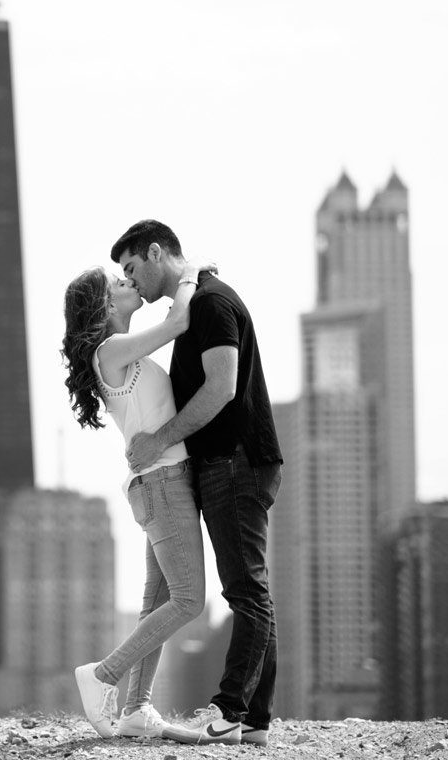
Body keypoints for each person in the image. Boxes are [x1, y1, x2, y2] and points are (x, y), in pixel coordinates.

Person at [112, 220, 282, 748]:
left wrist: (159, 436)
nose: (131, 280)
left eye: (133, 267)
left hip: (235, 462)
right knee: (249, 590)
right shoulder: (194, 303)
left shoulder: (209, 303)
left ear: (157, 253)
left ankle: (231, 710)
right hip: (225, 464)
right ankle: (253, 719)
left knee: (243, 591)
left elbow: (222, 387)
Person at [61, 255, 214, 740]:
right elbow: (179, 320)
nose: (128, 281)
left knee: (160, 601)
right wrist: (189, 274)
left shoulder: (124, 352)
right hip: (163, 484)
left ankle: (136, 711)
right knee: (190, 600)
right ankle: (103, 673)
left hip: (162, 483)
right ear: (104, 304)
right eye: (117, 281)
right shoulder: (110, 350)